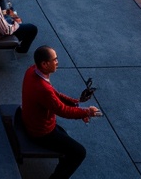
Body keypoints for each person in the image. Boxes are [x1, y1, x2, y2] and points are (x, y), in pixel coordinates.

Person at [20, 45, 101, 179]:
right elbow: (62, 110)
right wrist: (86, 112)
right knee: (79, 152)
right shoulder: (43, 89)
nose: (57, 62)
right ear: (45, 64)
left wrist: (76, 103)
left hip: (32, 121)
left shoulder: (32, 70)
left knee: (65, 139)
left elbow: (55, 94)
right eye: (55, 59)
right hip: (40, 132)